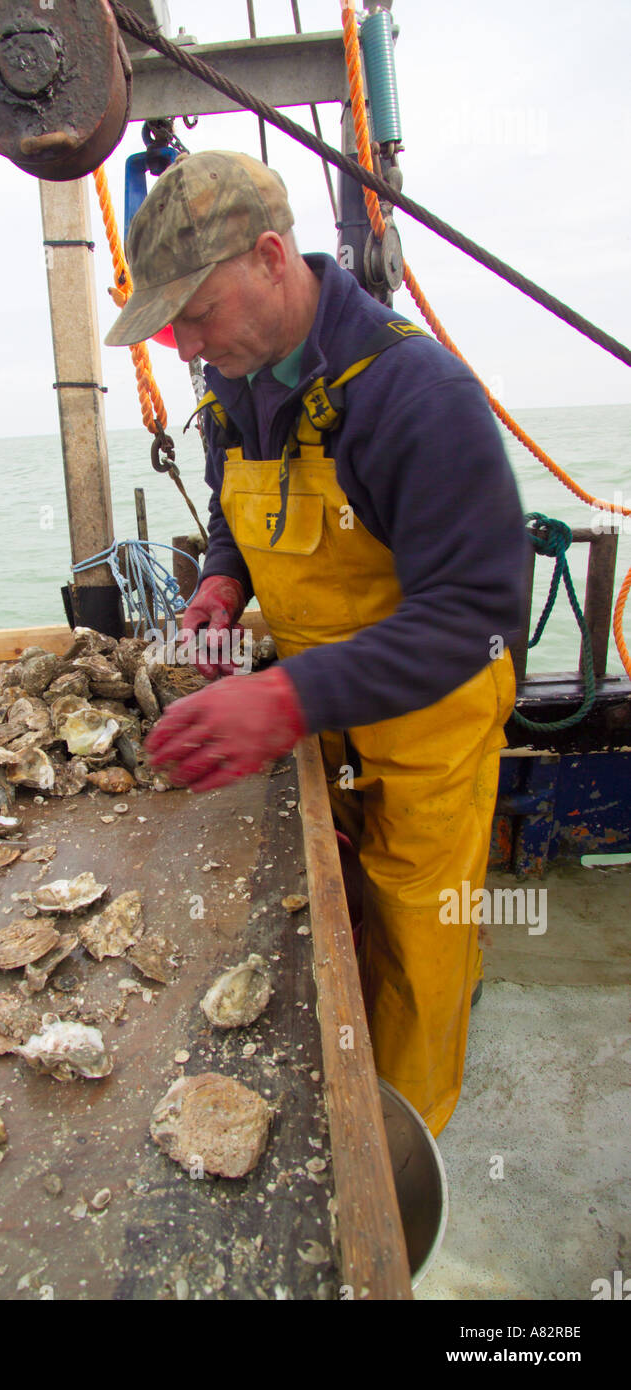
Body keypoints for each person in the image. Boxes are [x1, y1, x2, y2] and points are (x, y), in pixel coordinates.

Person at [105, 149, 526, 1136]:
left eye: (195, 312)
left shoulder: (414, 392)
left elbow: (472, 613)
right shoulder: (231, 381)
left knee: (417, 962)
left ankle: (398, 1174)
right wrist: (220, 579)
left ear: (268, 257)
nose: (181, 344)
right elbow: (230, 505)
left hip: (425, 739)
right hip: (321, 729)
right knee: (325, 938)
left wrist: (280, 699)